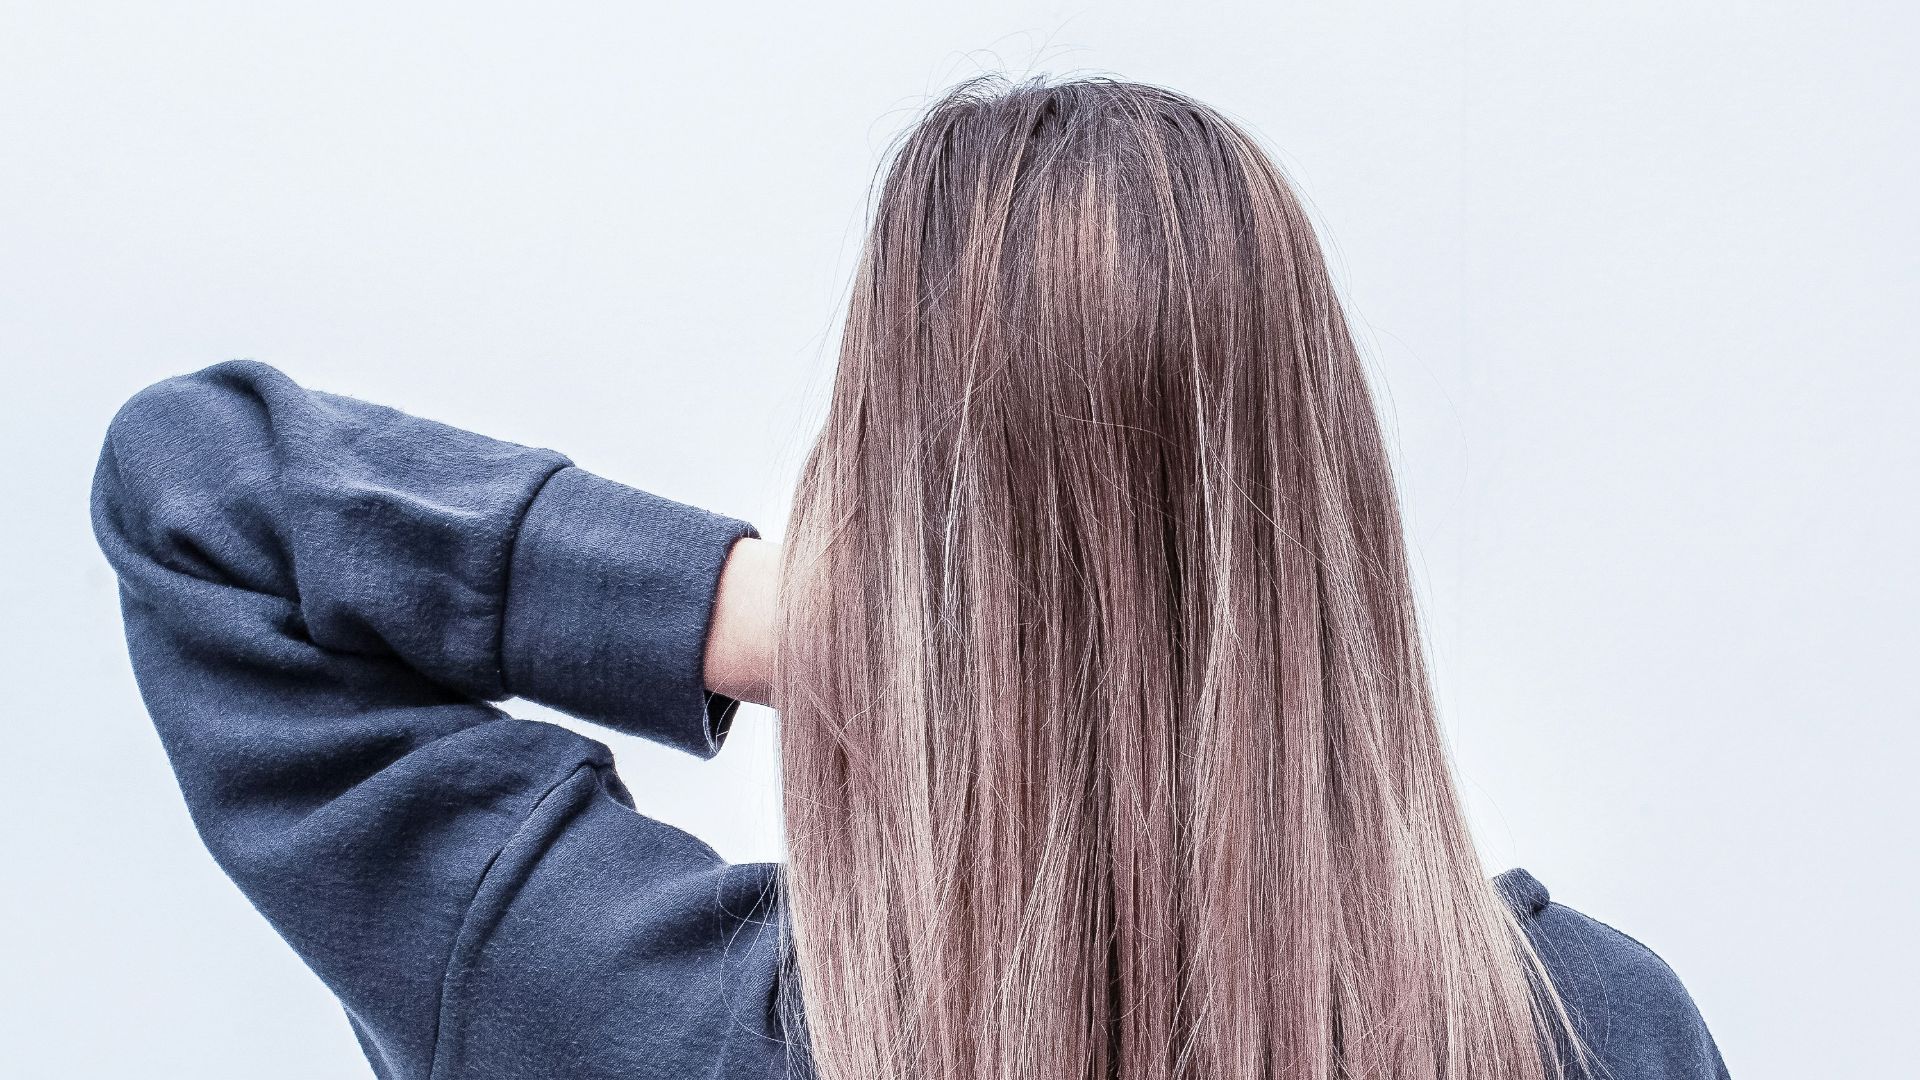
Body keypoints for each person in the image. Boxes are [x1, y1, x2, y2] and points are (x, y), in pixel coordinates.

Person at [90, 75, 1729, 1080]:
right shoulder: (1595, 1033)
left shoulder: (634, 1021)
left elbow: (203, 505)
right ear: (1327, 529)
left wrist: (771, 615)